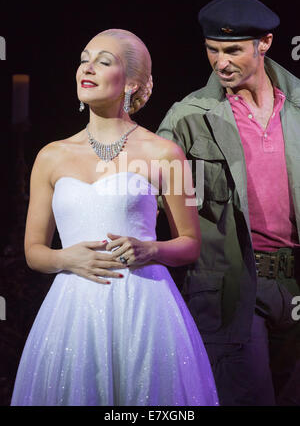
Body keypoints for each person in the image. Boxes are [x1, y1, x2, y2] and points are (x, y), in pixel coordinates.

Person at [10, 29, 219, 406]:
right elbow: (33, 250)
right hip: (72, 310)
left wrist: (150, 249)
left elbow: (190, 245)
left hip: (144, 306)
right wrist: (64, 257)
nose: (87, 68)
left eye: (104, 62)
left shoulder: (166, 153)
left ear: (132, 83)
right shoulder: (51, 156)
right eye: (84, 58)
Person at [156, 0, 300, 406]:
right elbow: (148, 184)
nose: (221, 62)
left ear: (265, 43)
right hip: (232, 287)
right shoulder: (188, 116)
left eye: (233, 50)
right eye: (212, 50)